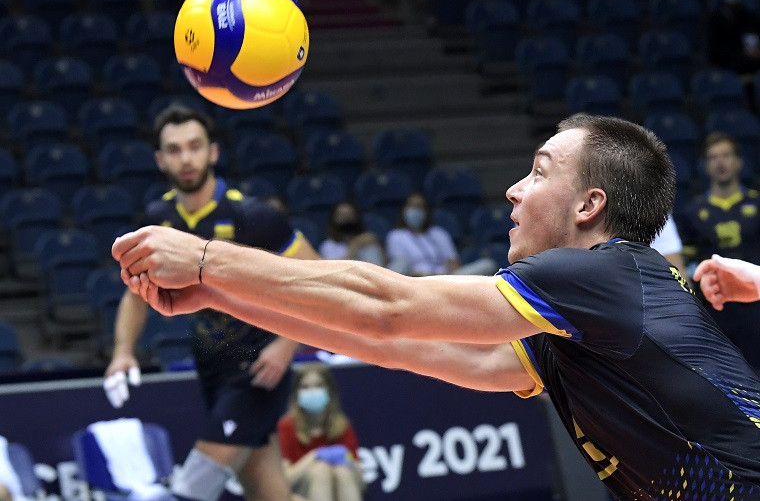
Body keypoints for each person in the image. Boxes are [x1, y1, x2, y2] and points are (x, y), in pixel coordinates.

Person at [113, 115, 760, 499]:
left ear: (590, 206)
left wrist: (206, 259)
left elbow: (388, 307)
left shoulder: (603, 271)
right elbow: (394, 343)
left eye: (538, 172)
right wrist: (218, 295)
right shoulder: (580, 321)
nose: (513, 190)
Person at [103, 105, 320, 501]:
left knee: (190, 490)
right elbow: (135, 294)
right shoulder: (158, 220)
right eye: (174, 150)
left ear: (213, 152)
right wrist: (122, 352)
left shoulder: (252, 216)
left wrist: (286, 345)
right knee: (269, 494)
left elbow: (320, 278)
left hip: (257, 367)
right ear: (160, 160)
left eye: (194, 146)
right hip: (212, 370)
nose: (186, 158)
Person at [678, 132, 760, 368]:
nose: (720, 162)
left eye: (726, 155)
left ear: (739, 162)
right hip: (715, 308)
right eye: (713, 157)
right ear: (705, 166)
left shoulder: (757, 205)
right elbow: (684, 264)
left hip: (755, 307)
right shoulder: (693, 212)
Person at [277, 364, 363, 501]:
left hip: (338, 492)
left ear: (330, 391)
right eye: (305, 387)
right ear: (295, 394)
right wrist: (314, 456)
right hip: (300, 494)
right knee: (320, 471)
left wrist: (347, 459)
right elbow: (285, 479)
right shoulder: (286, 427)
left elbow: (360, 479)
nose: (312, 392)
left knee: (343, 472)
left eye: (318, 385)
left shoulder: (342, 425)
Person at [385, 192, 496, 276]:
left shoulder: (438, 233)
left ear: (426, 211)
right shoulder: (396, 236)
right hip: (413, 280)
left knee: (488, 264)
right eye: (412, 206)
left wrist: (442, 276)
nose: (416, 211)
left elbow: (454, 263)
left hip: (443, 279)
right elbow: (401, 266)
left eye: (420, 207)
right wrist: (425, 276)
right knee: (399, 265)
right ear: (404, 210)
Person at [320, 201, 386, 267]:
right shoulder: (328, 246)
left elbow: (384, 263)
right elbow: (336, 270)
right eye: (342, 215)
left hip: (370, 271)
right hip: (346, 272)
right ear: (334, 219)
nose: (346, 218)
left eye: (349, 215)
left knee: (371, 250)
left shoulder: (367, 239)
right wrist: (355, 245)